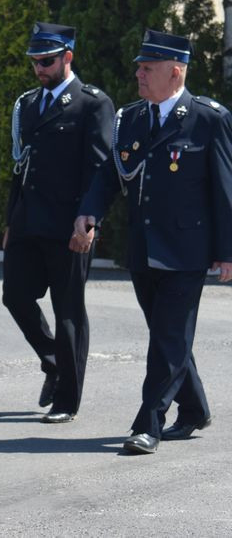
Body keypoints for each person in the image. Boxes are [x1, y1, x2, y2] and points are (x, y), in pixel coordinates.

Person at [74, 29, 232, 454]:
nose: (139, 74)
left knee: (167, 338)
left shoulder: (208, 118)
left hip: (187, 251)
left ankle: (149, 423)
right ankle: (195, 407)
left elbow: (224, 191)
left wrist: (227, 253)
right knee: (169, 336)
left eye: (148, 68)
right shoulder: (132, 118)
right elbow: (109, 174)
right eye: (140, 67)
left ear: (175, 73)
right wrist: (89, 213)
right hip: (144, 247)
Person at [1, 22, 114, 425]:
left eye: (46, 61)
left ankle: (67, 398)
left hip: (70, 224)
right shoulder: (29, 104)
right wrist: (11, 219)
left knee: (68, 313)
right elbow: (21, 166)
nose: (39, 69)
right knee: (14, 296)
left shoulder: (92, 104)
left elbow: (99, 169)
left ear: (68, 56)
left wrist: (89, 221)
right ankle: (53, 362)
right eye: (34, 61)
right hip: (29, 220)